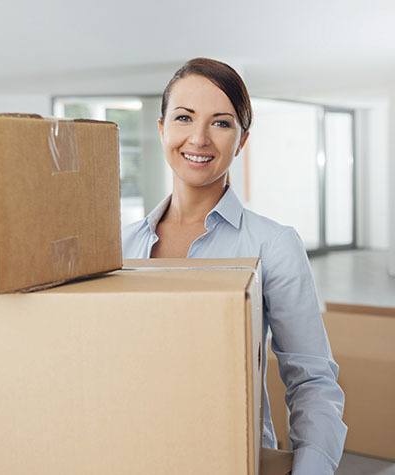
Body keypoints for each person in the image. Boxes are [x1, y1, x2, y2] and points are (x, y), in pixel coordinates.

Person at [122, 57, 347, 474]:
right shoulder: (122, 245)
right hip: (132, 454)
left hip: (232, 460)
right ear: (161, 128)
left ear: (241, 140)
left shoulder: (273, 245)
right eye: (184, 117)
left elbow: (313, 381)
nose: (199, 138)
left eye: (221, 123)